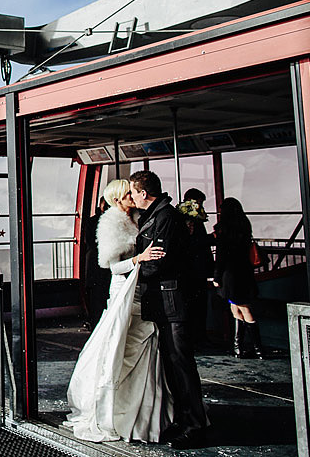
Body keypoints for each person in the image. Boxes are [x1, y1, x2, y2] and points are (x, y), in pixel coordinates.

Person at [65, 179, 168, 443]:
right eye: (128, 195)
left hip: (139, 290)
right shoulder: (111, 223)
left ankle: (144, 407)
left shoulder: (136, 218)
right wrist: (138, 259)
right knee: (123, 343)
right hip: (124, 291)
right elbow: (113, 268)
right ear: (117, 199)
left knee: (140, 343)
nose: (133, 197)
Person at [129, 170, 209, 449]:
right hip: (164, 301)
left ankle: (195, 425)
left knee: (181, 363)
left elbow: (159, 261)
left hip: (172, 300)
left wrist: (134, 269)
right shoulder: (158, 216)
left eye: (132, 191)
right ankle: (184, 420)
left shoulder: (164, 218)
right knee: (172, 364)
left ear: (143, 192)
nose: (131, 197)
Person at [213, 197, 264, 359]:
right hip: (244, 272)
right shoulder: (244, 225)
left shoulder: (224, 229)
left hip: (230, 275)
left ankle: (249, 348)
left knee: (241, 309)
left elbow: (221, 256)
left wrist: (216, 276)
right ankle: (244, 348)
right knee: (238, 308)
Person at [179, 188, 214, 345]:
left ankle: (196, 337)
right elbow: (193, 242)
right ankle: (198, 337)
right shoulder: (191, 219)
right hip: (195, 270)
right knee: (198, 305)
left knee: (194, 305)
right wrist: (211, 238)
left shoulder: (186, 217)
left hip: (191, 270)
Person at [80, 198, 110, 330]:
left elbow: (89, 241)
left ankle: (95, 322)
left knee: (95, 296)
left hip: (94, 264)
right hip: (98, 265)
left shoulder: (92, 221)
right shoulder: (103, 221)